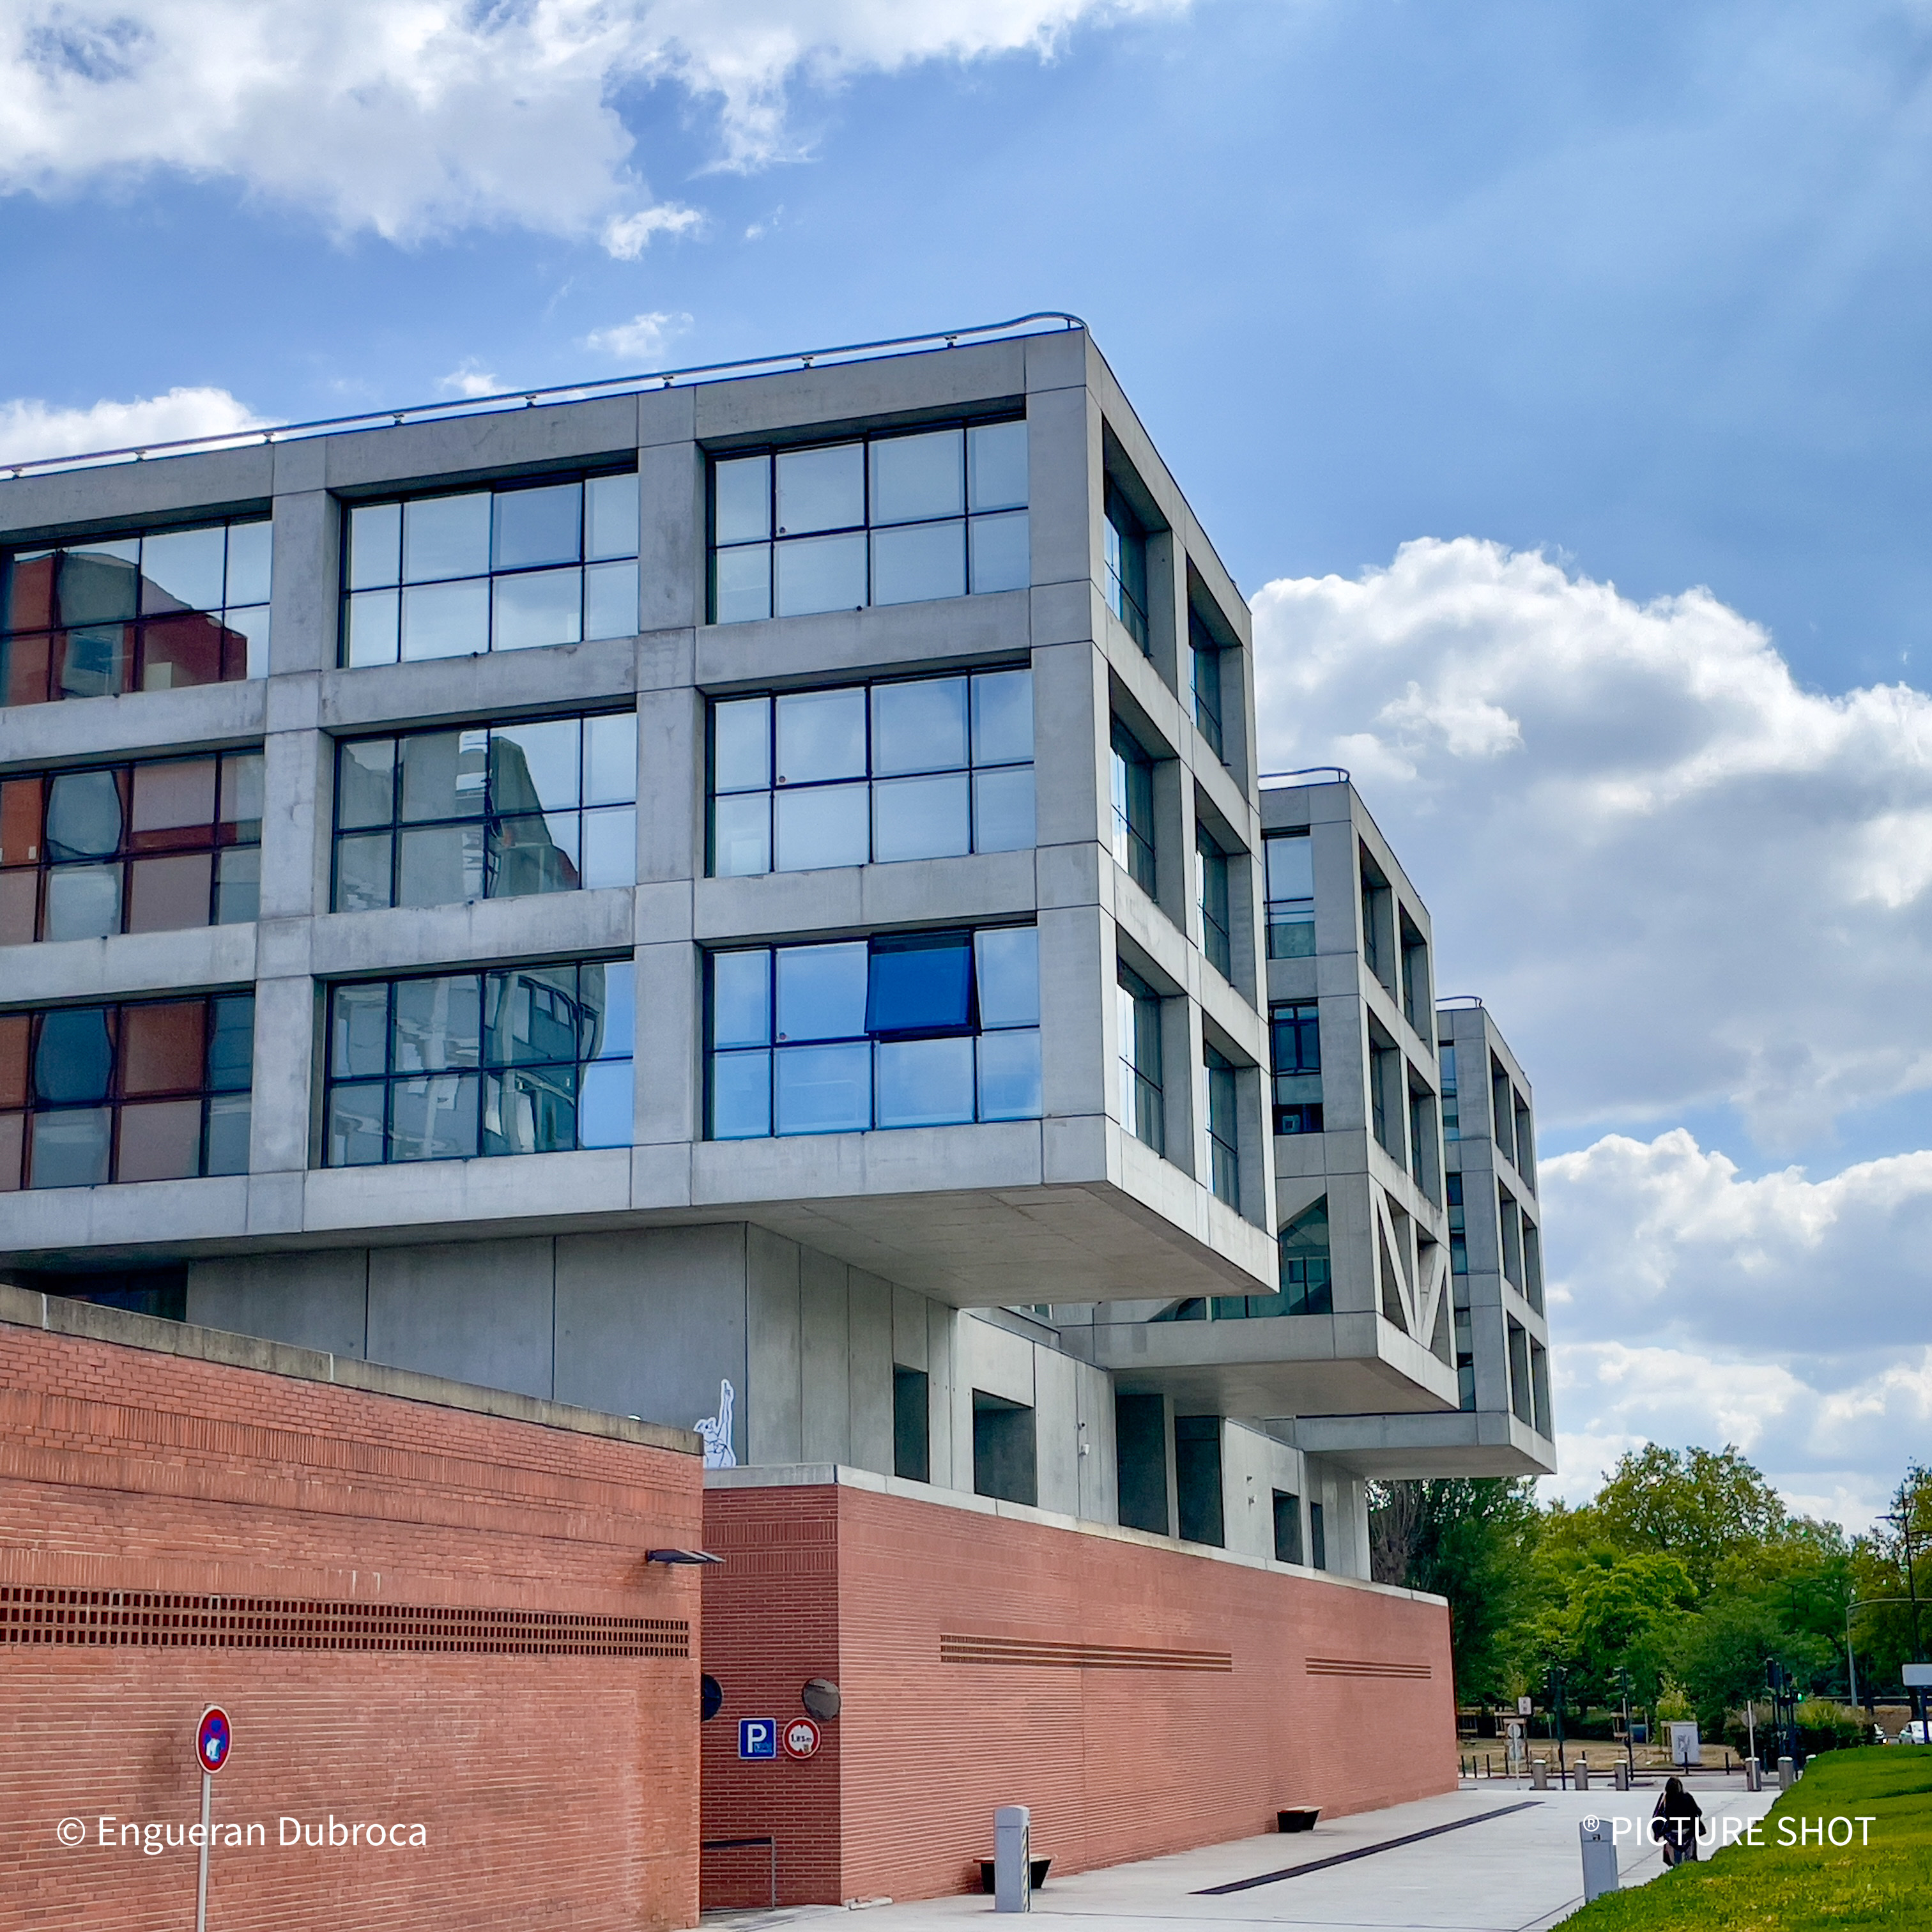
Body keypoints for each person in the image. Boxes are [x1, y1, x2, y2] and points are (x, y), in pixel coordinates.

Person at [1653, 1775, 1703, 1867]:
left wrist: (1657, 1833)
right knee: (1689, 1860)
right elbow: (1698, 1812)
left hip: (1671, 1834)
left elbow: (1657, 1816)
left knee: (1675, 1861)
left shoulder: (1665, 1799)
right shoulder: (1687, 1798)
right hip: (1688, 1833)